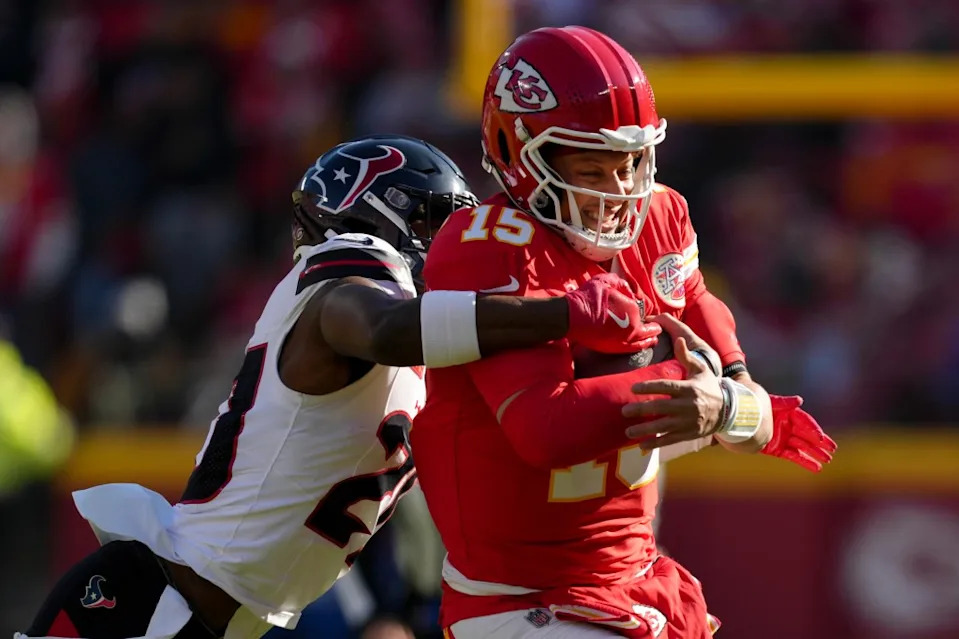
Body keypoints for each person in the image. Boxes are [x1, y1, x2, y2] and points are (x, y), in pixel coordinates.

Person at [16, 135, 661, 639]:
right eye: (443, 225)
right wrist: (561, 313)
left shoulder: (425, 354)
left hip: (226, 620)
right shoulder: (345, 280)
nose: (458, 246)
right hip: (148, 607)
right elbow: (384, 327)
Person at [410, 27, 837, 638]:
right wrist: (685, 382)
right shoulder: (489, 246)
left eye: (630, 164)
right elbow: (546, 430)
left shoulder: (658, 214)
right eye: (592, 168)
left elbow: (703, 319)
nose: (618, 193)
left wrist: (733, 394)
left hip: (635, 580)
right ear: (518, 153)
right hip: (522, 601)